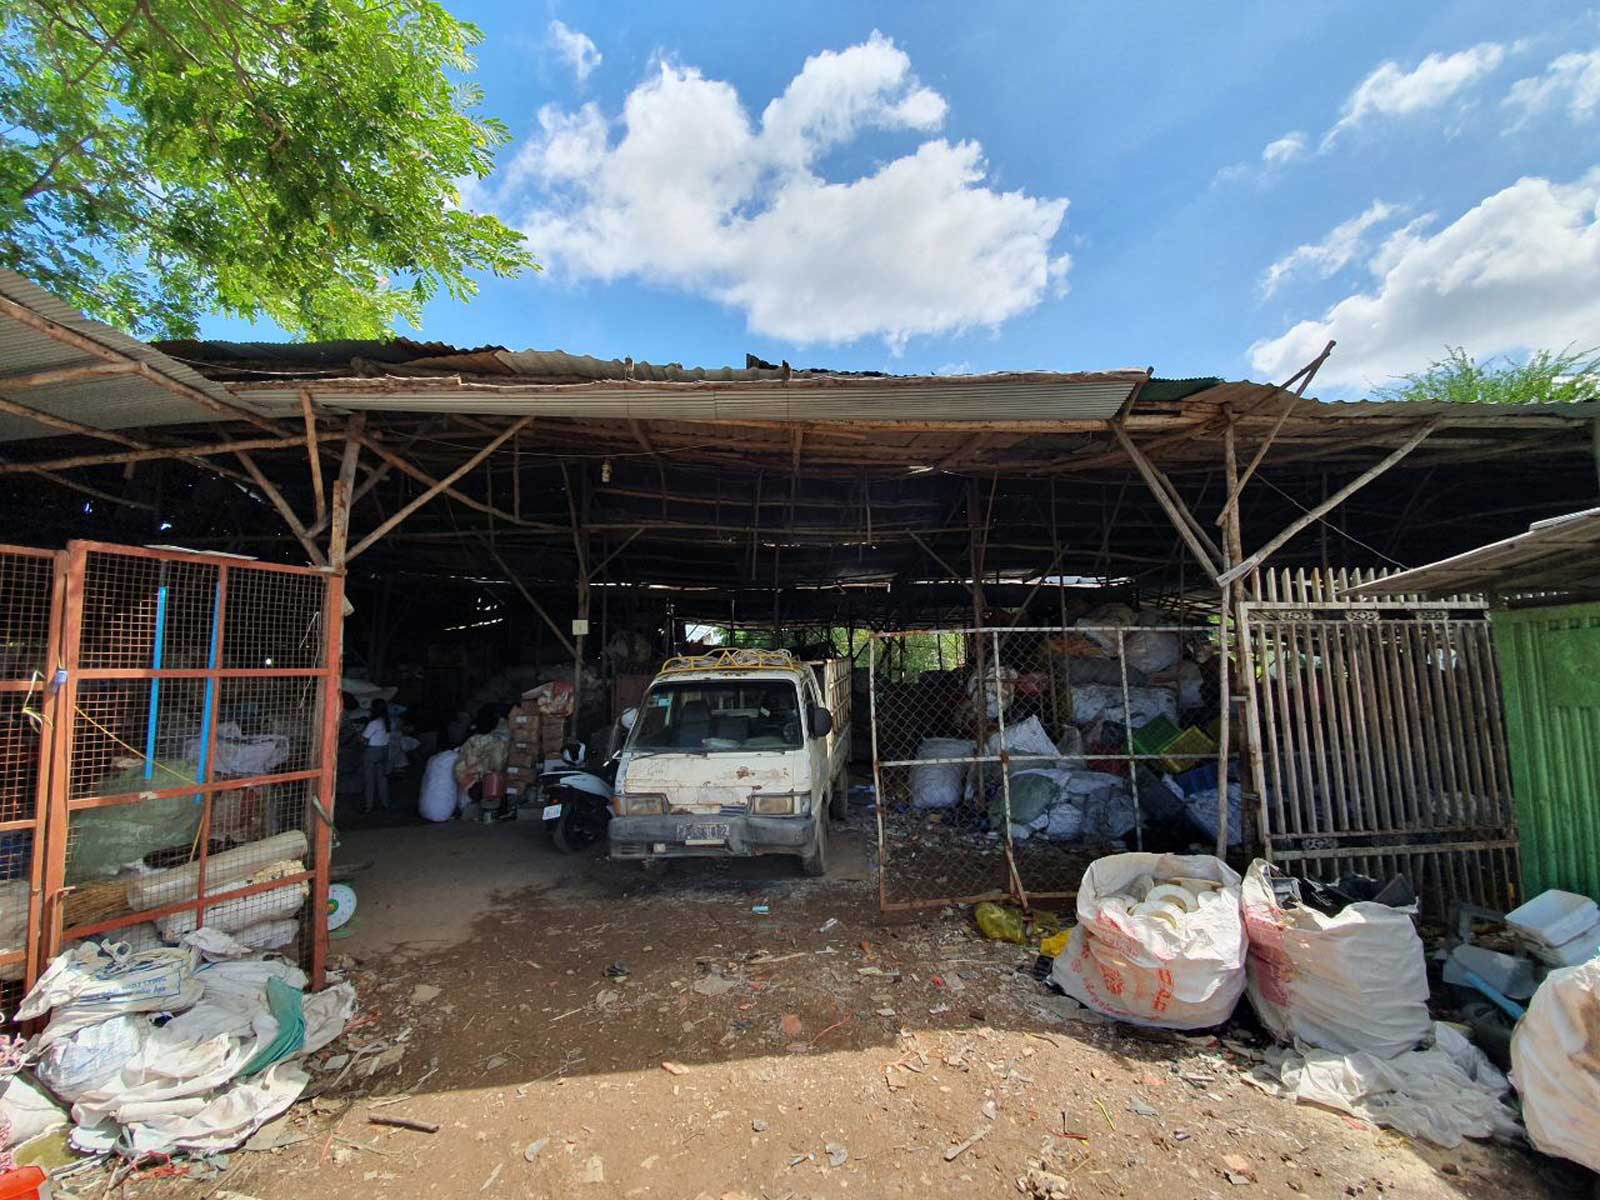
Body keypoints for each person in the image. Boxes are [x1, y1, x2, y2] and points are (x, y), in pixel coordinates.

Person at [361, 699, 393, 813]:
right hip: (383, 751)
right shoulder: (387, 722)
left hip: (372, 752)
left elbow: (364, 739)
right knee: (382, 779)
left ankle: (368, 806)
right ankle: (385, 804)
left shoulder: (373, 723)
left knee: (369, 780)